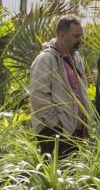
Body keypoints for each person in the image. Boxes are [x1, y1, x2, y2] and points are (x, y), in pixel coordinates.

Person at [29, 15, 93, 158]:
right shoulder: (46, 59)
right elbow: (38, 96)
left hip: (75, 132)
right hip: (55, 133)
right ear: (62, 35)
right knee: (56, 176)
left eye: (81, 36)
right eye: (76, 36)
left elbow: (81, 91)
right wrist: (57, 124)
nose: (80, 40)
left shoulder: (75, 57)